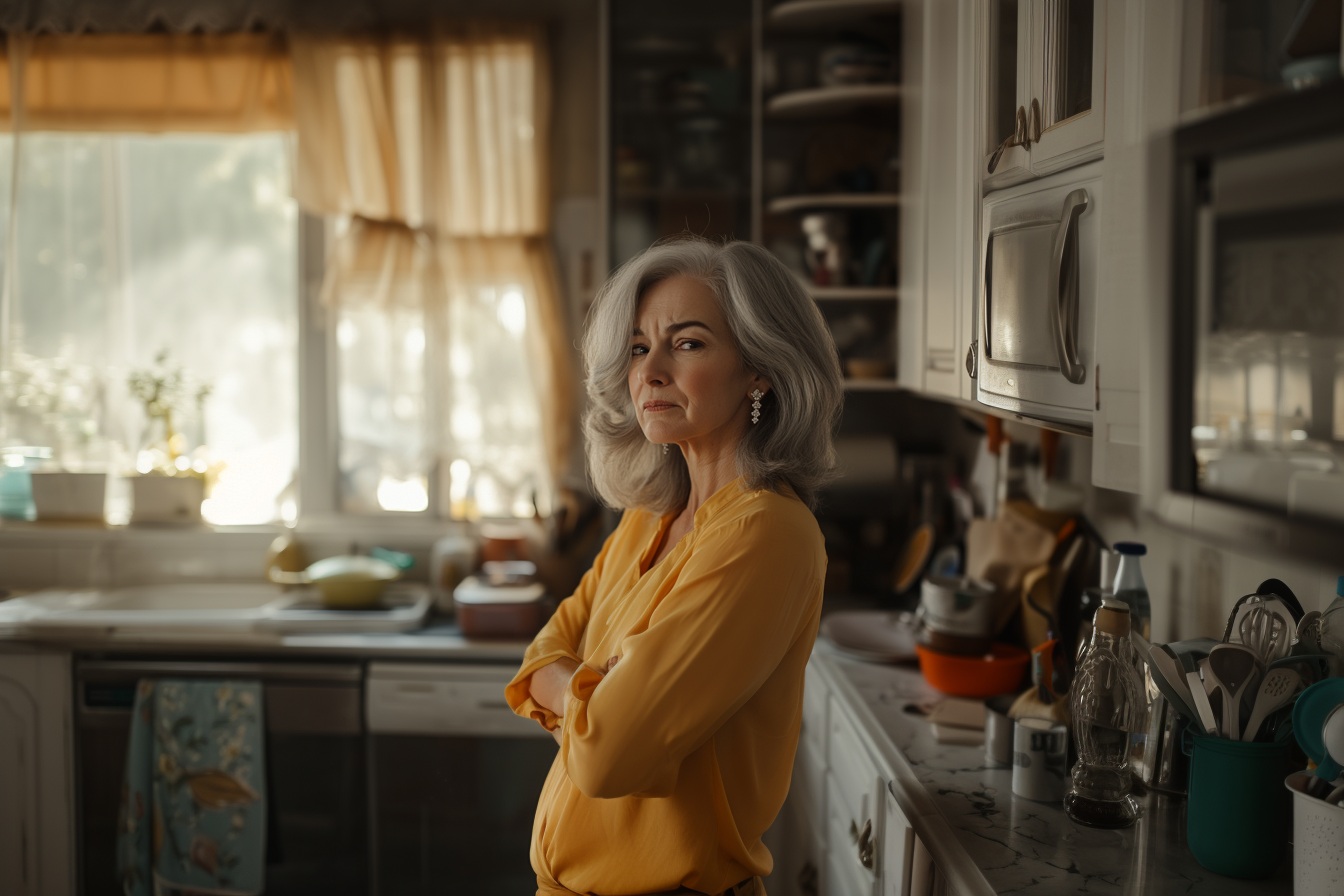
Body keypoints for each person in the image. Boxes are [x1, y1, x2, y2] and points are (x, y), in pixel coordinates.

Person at [505, 236, 844, 896]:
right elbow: (538, 655)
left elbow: (605, 757)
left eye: (687, 343)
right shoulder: (646, 517)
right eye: (638, 347)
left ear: (760, 370)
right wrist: (590, 694)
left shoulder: (767, 534)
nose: (650, 371)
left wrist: (577, 696)